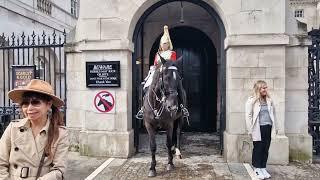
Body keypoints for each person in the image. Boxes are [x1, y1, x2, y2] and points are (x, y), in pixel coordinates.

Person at [0, 79, 69, 179]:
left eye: (35, 103)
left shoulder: (59, 133)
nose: (29, 108)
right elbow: (1, 162)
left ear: (48, 104)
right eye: (25, 103)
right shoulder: (13, 128)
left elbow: (59, 169)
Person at [136, 25, 188, 120]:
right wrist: (154, 68)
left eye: (166, 44)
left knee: (180, 88)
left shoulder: (172, 53)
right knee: (144, 87)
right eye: (163, 44)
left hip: (169, 71)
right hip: (157, 72)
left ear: (169, 44)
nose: (164, 46)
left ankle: (182, 107)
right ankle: (142, 108)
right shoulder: (157, 54)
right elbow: (155, 64)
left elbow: (172, 63)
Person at [245, 80, 279, 179]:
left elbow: (274, 114)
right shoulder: (252, 100)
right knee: (258, 148)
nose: (265, 89)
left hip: (268, 127)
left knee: (266, 148)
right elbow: (248, 116)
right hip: (258, 128)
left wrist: (276, 127)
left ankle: (263, 167)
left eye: (266, 87)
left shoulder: (269, 100)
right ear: (258, 89)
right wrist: (250, 130)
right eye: (263, 88)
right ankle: (256, 168)